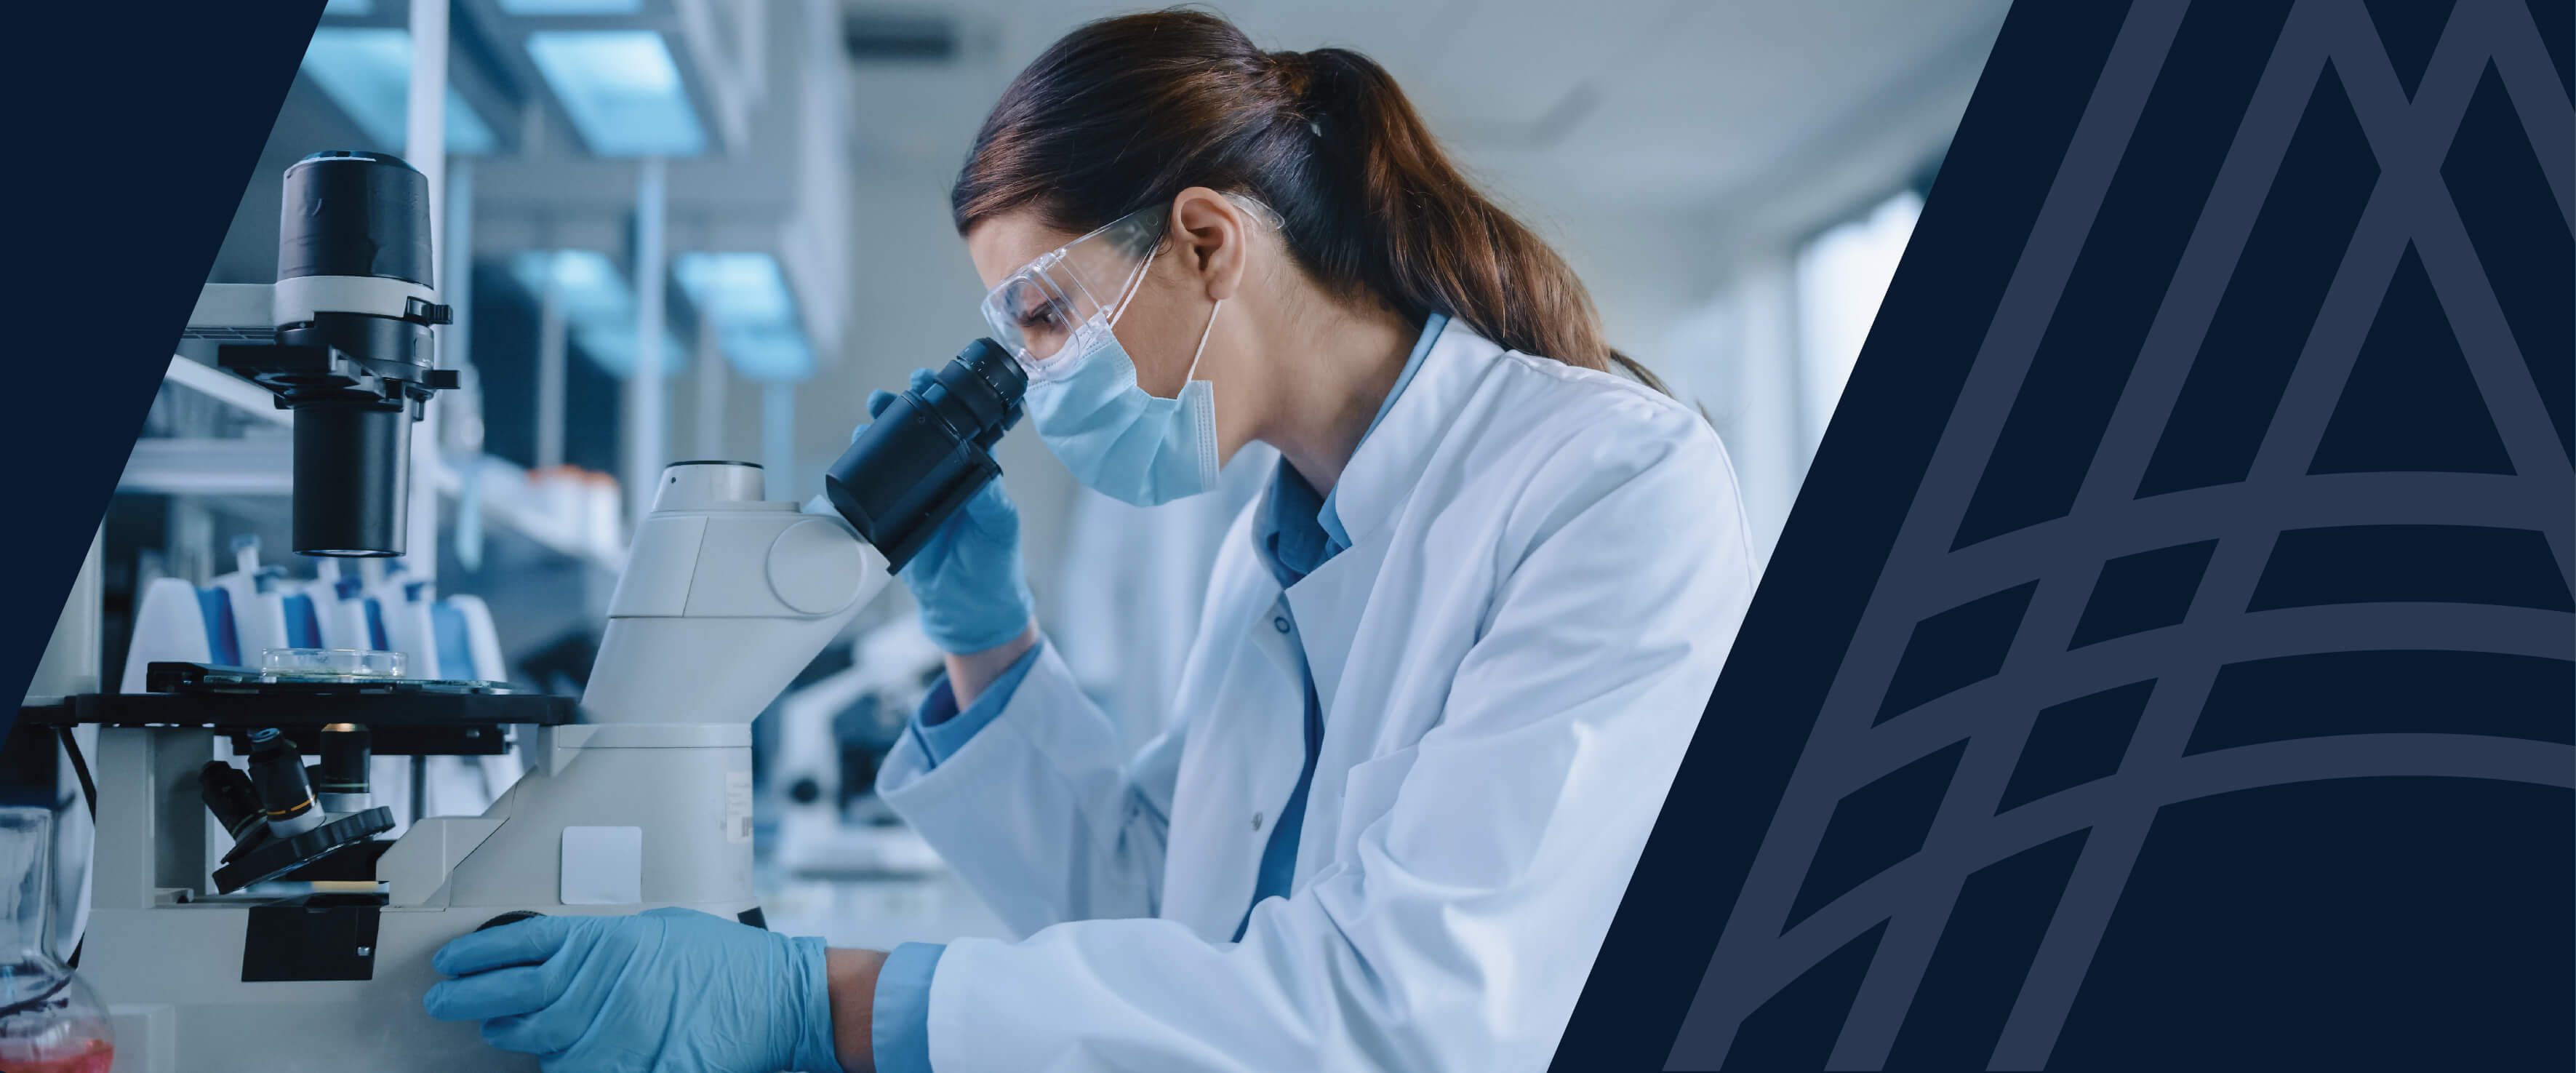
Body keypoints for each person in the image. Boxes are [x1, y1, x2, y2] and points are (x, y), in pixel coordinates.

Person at [424, 9, 1756, 1071]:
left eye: (1044, 317)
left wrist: (813, 1003)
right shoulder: (1281, 544)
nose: (1032, 376)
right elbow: (1148, 907)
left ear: (1203, 242)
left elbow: (1410, 1016)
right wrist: (986, 639)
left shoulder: (1610, 484)